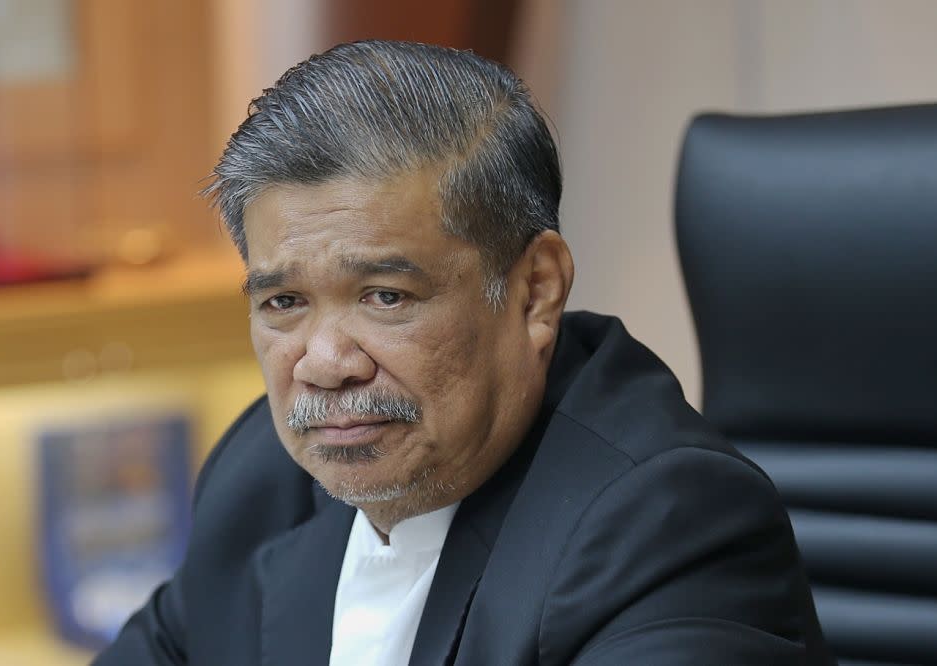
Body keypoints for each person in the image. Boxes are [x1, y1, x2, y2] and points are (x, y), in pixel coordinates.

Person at [95, 40, 832, 665]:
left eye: (385, 295)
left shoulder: (668, 524)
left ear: (535, 292)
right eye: (284, 303)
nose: (324, 364)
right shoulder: (261, 477)